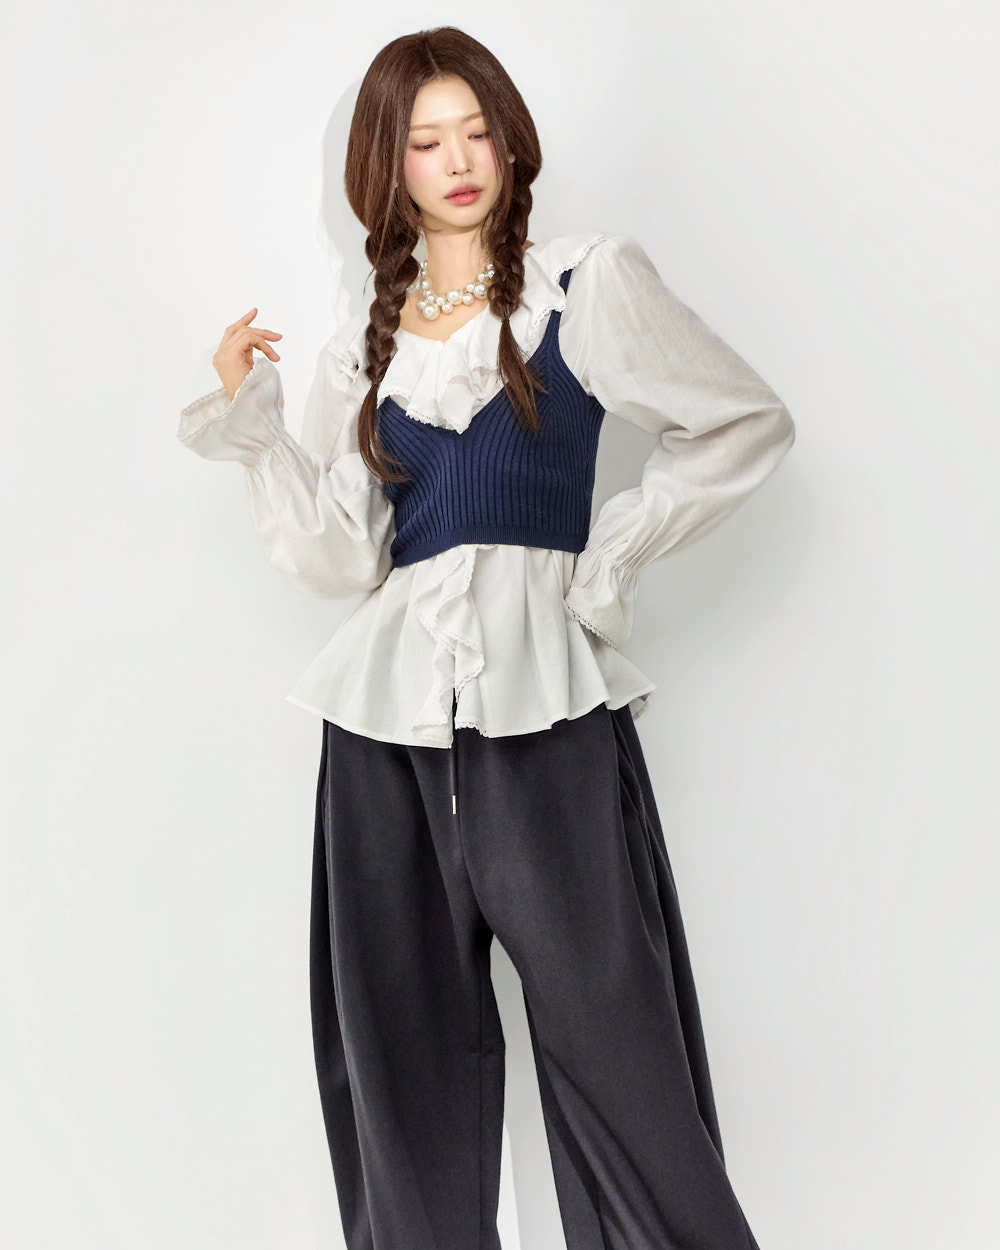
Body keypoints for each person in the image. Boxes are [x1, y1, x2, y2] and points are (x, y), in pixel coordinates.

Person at [177, 25, 794, 1250]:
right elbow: (343, 558)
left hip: (543, 709)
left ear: (510, 142)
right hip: (385, 733)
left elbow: (742, 421)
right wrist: (255, 426)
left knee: (616, 1040)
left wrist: (608, 560)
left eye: (476, 131)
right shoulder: (364, 347)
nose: (458, 160)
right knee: (398, 1057)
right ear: (386, 165)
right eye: (425, 141)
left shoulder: (583, 284)